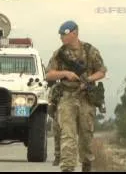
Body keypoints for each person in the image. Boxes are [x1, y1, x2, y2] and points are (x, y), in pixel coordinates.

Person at [46, 20, 107, 172]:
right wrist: (65, 73)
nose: (61, 37)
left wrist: (89, 79)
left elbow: (102, 71)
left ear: (75, 33)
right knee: (68, 135)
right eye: (60, 35)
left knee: (86, 136)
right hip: (66, 96)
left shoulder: (90, 51)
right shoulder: (59, 54)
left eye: (64, 34)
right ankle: (67, 168)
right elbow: (49, 75)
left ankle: (86, 164)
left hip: (86, 97)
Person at [47, 82, 61, 166]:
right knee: (57, 136)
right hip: (58, 113)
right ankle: (58, 157)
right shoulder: (56, 87)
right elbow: (50, 101)